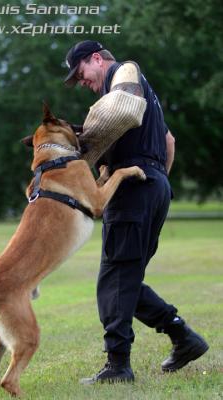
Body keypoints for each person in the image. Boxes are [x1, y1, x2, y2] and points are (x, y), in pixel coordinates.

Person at [64, 40, 209, 384]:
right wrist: (159, 183)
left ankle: (118, 366)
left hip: (133, 186)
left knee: (115, 280)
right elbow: (169, 141)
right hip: (155, 186)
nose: (81, 81)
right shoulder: (145, 94)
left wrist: (85, 154)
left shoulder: (123, 77)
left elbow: (121, 117)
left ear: (96, 59)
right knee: (125, 280)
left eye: (80, 73)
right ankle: (183, 337)